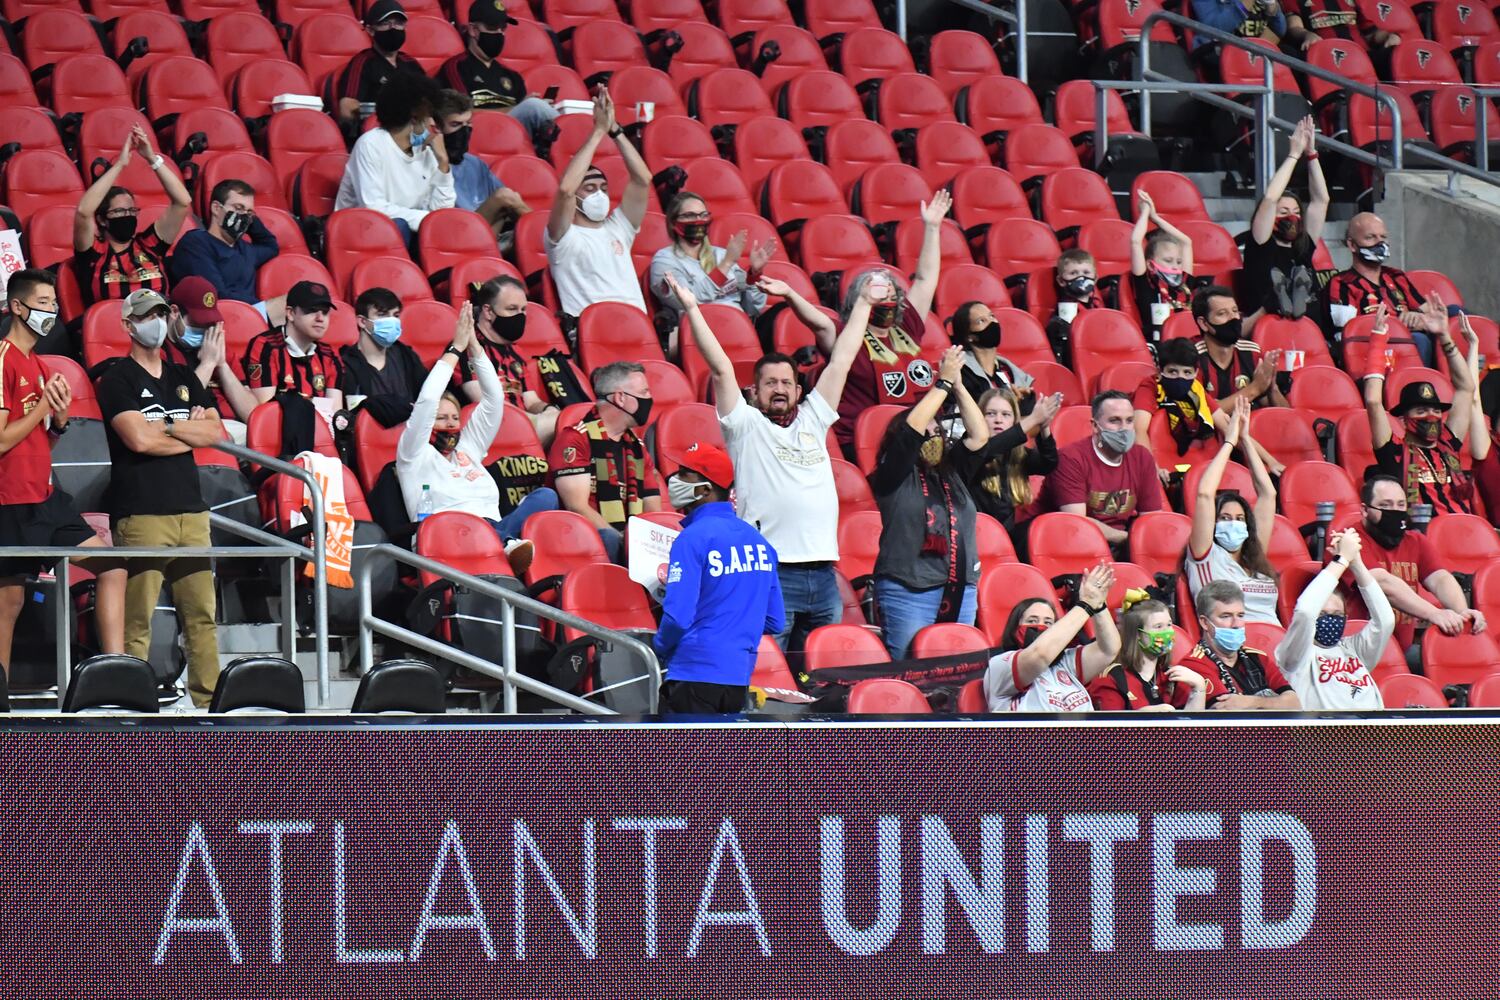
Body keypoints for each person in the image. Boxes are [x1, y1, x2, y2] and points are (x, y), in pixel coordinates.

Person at [676, 271, 864, 650]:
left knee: (822, 678)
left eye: (786, 383)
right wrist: (694, 309)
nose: (779, 389)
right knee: (764, 669)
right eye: (770, 383)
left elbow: (842, 360)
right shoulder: (743, 426)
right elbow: (720, 368)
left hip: (825, 573)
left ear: (799, 389)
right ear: (754, 391)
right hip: (771, 573)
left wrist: (865, 303)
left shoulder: (814, 417)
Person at [96, 290, 223, 707]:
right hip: (142, 513)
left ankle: (210, 706)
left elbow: (214, 433)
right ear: (128, 324)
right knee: (137, 620)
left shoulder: (184, 376)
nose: (157, 320)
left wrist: (163, 430)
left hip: (192, 513)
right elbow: (136, 439)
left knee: (202, 618)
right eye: (147, 315)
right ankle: (134, 704)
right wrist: (182, 427)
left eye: (162, 313)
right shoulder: (117, 379)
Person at [0, 269, 125, 675]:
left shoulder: (38, 363)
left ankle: (115, 675)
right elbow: (1, 441)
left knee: (112, 565)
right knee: (9, 606)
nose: (51, 311)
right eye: (43, 303)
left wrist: (59, 421)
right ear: (17, 307)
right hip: (11, 503)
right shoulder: (3, 359)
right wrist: (41, 409)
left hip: (47, 499)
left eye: (54, 303)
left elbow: (39, 441)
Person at [396, 303, 547, 569]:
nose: (450, 424)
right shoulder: (414, 454)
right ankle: (504, 544)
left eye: (454, 418)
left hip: (492, 525)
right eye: (441, 418)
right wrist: (455, 348)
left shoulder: (468, 449)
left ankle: (502, 542)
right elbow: (428, 399)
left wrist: (475, 347)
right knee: (493, 531)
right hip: (448, 536)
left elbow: (494, 399)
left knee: (546, 496)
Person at [868, 346, 989, 659]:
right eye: (928, 431)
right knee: (910, 675)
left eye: (938, 431)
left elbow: (979, 436)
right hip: (909, 592)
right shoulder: (893, 474)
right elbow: (911, 432)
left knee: (960, 676)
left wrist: (958, 385)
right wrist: (941, 384)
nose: (934, 436)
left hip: (961, 589)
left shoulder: (952, 471)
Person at [654, 443, 785, 713]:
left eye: (684, 474)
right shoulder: (759, 542)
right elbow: (775, 620)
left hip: (692, 673)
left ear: (705, 489)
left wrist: (658, 648)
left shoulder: (692, 538)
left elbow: (678, 617)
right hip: (737, 679)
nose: (673, 480)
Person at [832, 189, 950, 452]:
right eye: (877, 291)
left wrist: (931, 228)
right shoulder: (846, 336)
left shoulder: (906, 324)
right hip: (873, 441)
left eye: (890, 291)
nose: (886, 297)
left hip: (924, 431)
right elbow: (817, 322)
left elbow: (925, 280)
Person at [1340, 473, 1483, 649]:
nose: (1395, 511)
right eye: (1385, 505)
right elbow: (1381, 583)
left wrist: (1462, 613)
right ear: (1364, 510)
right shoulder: (1348, 540)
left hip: (1401, 650)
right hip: (1355, 650)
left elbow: (1440, 579)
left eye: (1401, 505)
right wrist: (1434, 613)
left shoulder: (1415, 541)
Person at [544, 87, 652, 319]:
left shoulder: (619, 228)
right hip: (593, 330)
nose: (599, 195)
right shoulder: (563, 238)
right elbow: (565, 190)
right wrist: (597, 131)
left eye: (603, 188)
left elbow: (643, 180)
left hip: (637, 325)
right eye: (590, 188)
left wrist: (614, 130)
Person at [1363, 303, 1474, 514]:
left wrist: (1445, 337)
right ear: (1403, 419)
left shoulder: (1449, 443)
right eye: (1421, 411)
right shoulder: (1393, 451)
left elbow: (1466, 388)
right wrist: (1378, 340)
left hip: (1468, 536)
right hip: (1425, 539)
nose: (1432, 416)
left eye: (1436, 411)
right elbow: (1373, 401)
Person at [549, 361, 661, 561]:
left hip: (630, 545)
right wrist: (622, 542)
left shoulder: (637, 447)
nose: (650, 399)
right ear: (620, 398)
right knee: (608, 538)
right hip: (580, 541)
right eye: (644, 392)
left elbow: (653, 509)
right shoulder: (575, 439)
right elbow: (577, 507)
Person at [72, 124, 192, 305]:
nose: (127, 216)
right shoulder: (94, 252)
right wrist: (120, 164)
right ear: (102, 219)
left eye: (131, 210)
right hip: (113, 328)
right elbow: (83, 211)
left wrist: (152, 158)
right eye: (119, 211)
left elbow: (182, 202)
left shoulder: (149, 245)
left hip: (161, 326)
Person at [1186, 399, 1281, 624]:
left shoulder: (1255, 558)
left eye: (1239, 519)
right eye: (1225, 518)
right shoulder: (1204, 556)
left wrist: (1245, 439)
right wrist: (1229, 441)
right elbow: (1204, 494)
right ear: (1213, 523)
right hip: (1235, 646)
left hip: (1277, 644)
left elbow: (1268, 495)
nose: (1233, 524)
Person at [1278, 528, 1392, 709]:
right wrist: (1341, 560)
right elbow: (1306, 611)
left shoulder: (1355, 649)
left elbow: (1386, 621)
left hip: (1370, 732)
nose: (1330, 620)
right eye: (1322, 614)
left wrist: (1356, 564)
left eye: (1337, 615)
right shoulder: (1296, 654)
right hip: (1324, 734)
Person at [335, 77, 454, 245]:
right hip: (360, 233)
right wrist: (429, 220)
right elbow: (373, 207)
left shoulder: (426, 152)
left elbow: (441, 211)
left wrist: (443, 162)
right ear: (414, 118)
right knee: (399, 227)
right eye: (429, 117)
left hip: (410, 234)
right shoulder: (371, 144)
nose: (433, 124)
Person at [1040, 390, 1164, 552]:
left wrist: (1138, 541)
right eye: (1114, 421)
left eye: (1129, 421)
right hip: (1068, 542)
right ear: (1095, 426)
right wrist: (1130, 540)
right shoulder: (1070, 458)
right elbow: (1078, 523)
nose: (1124, 428)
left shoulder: (1142, 457)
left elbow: (1151, 519)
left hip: (1120, 541)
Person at [983, 564, 1119, 711]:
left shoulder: (1065, 663)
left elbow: (1109, 650)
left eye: (1048, 622)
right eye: (1032, 621)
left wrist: (1098, 605)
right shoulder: (1001, 665)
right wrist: (1086, 605)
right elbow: (1040, 654)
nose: (1041, 627)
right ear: (1015, 627)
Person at [1326, 211, 1446, 366]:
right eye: (1370, 237)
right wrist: (1399, 325)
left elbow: (1429, 312)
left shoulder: (1396, 276)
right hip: (1372, 351)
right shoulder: (1341, 283)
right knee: (1419, 340)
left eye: (1383, 237)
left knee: (1455, 314)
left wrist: (1420, 320)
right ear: (1352, 245)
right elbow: (1347, 333)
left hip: (1410, 342)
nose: (1379, 243)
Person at [1242, 117, 1329, 328]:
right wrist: (1294, 154)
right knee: (1273, 304)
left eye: (1296, 212)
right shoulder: (1260, 242)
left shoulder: (1303, 247)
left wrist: (1311, 154)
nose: (1291, 217)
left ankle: (1296, 295)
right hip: (1264, 322)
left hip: (1303, 326)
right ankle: (1280, 297)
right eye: (1283, 212)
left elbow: (1321, 200)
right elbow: (1271, 197)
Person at [456, 275, 561, 446]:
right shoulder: (466, 346)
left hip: (525, 424)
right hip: (490, 430)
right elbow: (483, 401)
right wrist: (530, 421)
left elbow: (532, 401)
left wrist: (548, 410)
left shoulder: (516, 352)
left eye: (523, 310)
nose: (520, 316)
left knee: (566, 420)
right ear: (488, 311)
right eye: (512, 309)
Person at [648, 191, 773, 333]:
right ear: (672, 223)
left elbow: (753, 308)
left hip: (738, 330)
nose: (699, 220)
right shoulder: (664, 261)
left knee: (782, 312)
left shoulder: (721, 254)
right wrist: (726, 264)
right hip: (699, 333)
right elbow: (690, 300)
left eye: (703, 215)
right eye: (690, 215)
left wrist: (754, 276)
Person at [167, 179, 285, 326]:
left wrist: (250, 218)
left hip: (247, 319)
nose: (243, 216)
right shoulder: (196, 243)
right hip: (213, 318)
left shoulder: (246, 249)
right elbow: (215, 294)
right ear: (216, 208)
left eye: (248, 212)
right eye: (238, 208)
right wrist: (258, 307)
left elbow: (270, 246)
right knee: (294, 305)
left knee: (299, 304)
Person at [436, 0, 560, 138]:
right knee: (534, 107)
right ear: (473, 30)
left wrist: (527, 106)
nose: (499, 34)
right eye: (492, 28)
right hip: (478, 134)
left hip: (515, 137)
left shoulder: (512, 76)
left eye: (502, 29)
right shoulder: (456, 68)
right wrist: (522, 108)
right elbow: (458, 115)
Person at [1179, 580, 1300, 709]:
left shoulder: (1258, 658)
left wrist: (1252, 702)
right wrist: (1273, 702)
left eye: (1240, 615)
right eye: (1226, 616)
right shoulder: (1194, 665)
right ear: (1204, 623)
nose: (1236, 624)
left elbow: (1294, 704)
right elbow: (1226, 713)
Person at [162, 277, 258, 436]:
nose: (204, 330)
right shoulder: (159, 352)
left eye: (209, 324)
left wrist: (221, 365)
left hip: (238, 433)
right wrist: (207, 364)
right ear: (174, 312)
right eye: (197, 323)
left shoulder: (218, 348)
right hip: (192, 435)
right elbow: (174, 408)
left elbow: (253, 416)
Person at [433, 90, 531, 232]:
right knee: (504, 196)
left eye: (468, 123)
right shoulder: (428, 163)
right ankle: (547, 235)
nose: (464, 130)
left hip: (486, 237)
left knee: (508, 199)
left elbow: (512, 205)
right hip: (455, 233)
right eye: (455, 124)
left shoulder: (475, 163)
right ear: (437, 127)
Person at [1088, 598, 1208, 710]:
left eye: (1169, 625)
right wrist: (1145, 716)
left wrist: (1199, 687)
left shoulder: (1172, 676)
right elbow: (1110, 729)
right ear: (1137, 634)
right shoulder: (1111, 679)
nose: (1168, 632)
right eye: (1158, 627)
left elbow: (1190, 727)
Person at [242, 281, 345, 411]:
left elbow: (335, 415)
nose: (320, 318)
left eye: (325, 312)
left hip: (321, 428)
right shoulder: (265, 346)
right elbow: (266, 412)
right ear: (290, 313)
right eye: (311, 310)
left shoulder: (329, 354)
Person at [971, 385, 1061, 534]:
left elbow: (1048, 463)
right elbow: (989, 450)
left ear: (1014, 421)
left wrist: (1043, 427)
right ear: (979, 417)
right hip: (977, 533)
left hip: (1007, 534)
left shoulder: (1017, 453)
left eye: (1006, 414)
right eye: (991, 414)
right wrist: (1032, 419)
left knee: (1045, 529)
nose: (998, 420)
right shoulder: (969, 452)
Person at [339, 287, 427, 425]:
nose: (392, 321)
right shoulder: (345, 363)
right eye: (382, 315)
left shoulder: (406, 355)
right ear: (362, 321)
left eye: (396, 315)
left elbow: (428, 396)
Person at [330, 0, 423, 126]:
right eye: (385, 23)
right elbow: (346, 109)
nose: (393, 28)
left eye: (398, 23)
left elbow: (431, 99)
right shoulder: (362, 62)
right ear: (370, 30)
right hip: (377, 131)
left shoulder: (410, 62)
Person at [1131, 336, 1217, 461]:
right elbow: (1139, 430)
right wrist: (1153, 470)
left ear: (1195, 373)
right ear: (1160, 371)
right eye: (1173, 371)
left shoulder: (1195, 388)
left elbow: (1225, 425)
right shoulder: (1150, 386)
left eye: (1187, 372)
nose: (1180, 378)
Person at [1129, 190, 1195, 341]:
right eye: (1168, 260)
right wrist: (1145, 213)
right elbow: (1135, 242)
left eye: (1178, 262)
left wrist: (1156, 218)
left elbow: (1186, 242)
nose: (1174, 266)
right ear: (1151, 266)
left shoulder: (1184, 283)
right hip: (1159, 344)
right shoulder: (1146, 284)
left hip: (1188, 341)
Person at [949, 300, 1035, 401]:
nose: (992, 322)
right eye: (981, 321)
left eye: (992, 316)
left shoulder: (1007, 369)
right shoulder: (961, 373)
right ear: (969, 336)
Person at [1044, 248, 1103, 369]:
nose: (1081, 278)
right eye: (1073, 273)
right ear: (1061, 280)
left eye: (1086, 273)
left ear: (1095, 278)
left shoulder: (1099, 307)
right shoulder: (1062, 314)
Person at [1190, 0, 1287, 44]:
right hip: (1221, 51)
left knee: (1291, 53)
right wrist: (1243, 6)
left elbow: (1279, 31)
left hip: (1254, 52)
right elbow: (1211, 29)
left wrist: (1273, 10)